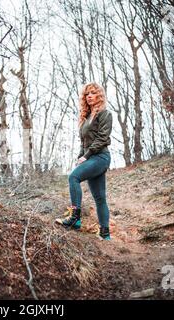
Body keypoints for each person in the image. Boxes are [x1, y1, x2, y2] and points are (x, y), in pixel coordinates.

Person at [55, 82, 113, 240]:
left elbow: (103, 138)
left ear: (99, 96)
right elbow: (84, 142)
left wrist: (86, 156)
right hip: (91, 157)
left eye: (92, 93)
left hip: (101, 157)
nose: (89, 96)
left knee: (73, 177)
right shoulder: (86, 118)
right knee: (99, 197)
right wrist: (81, 157)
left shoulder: (105, 114)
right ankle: (105, 234)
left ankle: (75, 218)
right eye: (86, 94)